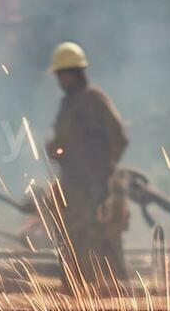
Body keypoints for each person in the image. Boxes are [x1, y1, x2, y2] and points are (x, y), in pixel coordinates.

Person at [45, 41, 129, 282]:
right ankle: (78, 297)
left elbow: (119, 138)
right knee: (72, 244)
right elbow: (65, 142)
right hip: (73, 188)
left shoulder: (94, 99)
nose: (60, 80)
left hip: (96, 188)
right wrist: (55, 149)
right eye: (59, 75)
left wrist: (104, 175)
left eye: (63, 74)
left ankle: (114, 299)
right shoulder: (68, 105)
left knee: (101, 243)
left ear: (76, 72)